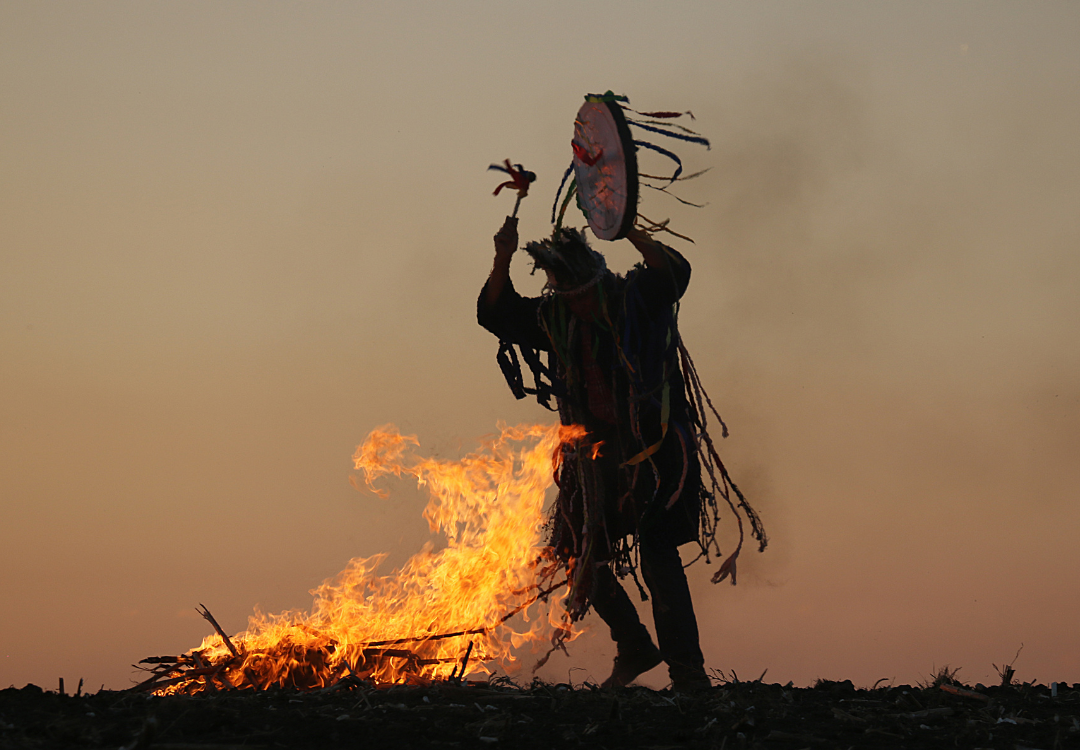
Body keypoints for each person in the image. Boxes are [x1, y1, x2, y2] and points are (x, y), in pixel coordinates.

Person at [477, 216, 713, 691]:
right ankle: (634, 645)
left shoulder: (635, 300)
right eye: (568, 298)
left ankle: (688, 673)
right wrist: (503, 257)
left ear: (598, 283)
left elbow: (675, 272)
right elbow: (496, 315)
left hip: (659, 454)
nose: (579, 307)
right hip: (597, 461)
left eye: (583, 296)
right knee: (576, 549)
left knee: (659, 553)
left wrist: (627, 228)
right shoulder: (557, 318)